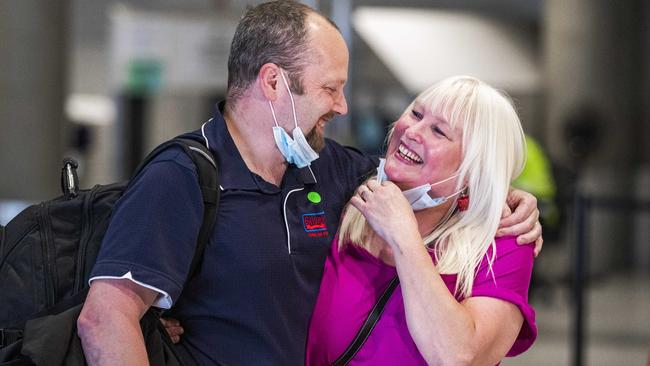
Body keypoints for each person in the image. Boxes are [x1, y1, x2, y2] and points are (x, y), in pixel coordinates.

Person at [77, 2, 542, 365]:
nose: (341, 106)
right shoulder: (182, 176)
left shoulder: (328, 170)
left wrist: (503, 196)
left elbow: (426, 178)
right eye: (329, 88)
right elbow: (105, 318)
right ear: (274, 83)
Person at [306, 76, 537, 365]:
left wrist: (403, 235)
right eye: (415, 113)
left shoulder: (502, 245)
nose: (412, 131)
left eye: (439, 131)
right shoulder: (345, 197)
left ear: (472, 169)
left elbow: (458, 357)